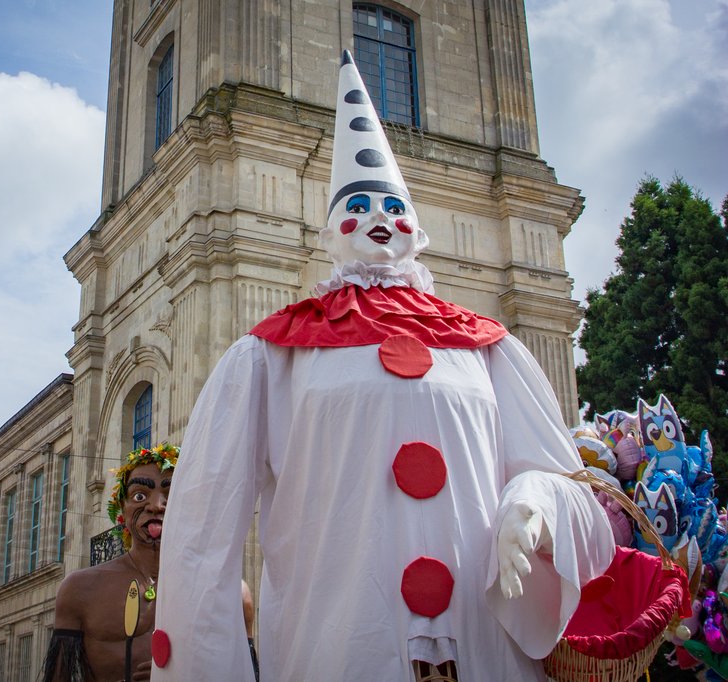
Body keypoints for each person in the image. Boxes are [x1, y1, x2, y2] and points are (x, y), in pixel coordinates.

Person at [150, 52, 615, 681]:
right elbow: (202, 535)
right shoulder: (271, 354)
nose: (376, 218)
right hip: (340, 652)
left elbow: (580, 500)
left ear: (416, 228)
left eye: (390, 206)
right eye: (358, 204)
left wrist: (533, 505)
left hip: (487, 655)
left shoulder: (487, 347)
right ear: (331, 228)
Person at [43, 444, 178, 682]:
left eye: (172, 494)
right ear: (121, 510)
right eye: (140, 495)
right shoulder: (80, 589)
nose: (157, 505)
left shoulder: (226, 593)